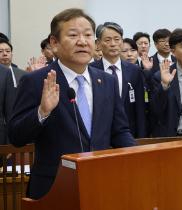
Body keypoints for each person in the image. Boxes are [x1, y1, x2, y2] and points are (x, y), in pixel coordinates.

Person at [8, 8, 135, 199]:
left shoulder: (106, 81)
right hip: (53, 189)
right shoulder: (36, 81)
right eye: (73, 35)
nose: (82, 41)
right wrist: (42, 112)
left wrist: (140, 156)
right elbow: (16, 136)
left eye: (88, 35)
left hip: (101, 183)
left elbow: (120, 131)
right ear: (54, 43)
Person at [90, 22, 146, 138]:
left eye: (117, 39)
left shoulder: (134, 71)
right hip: (99, 134)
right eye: (108, 40)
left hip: (128, 134)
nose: (113, 44)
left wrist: (141, 137)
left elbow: (140, 108)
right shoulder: (90, 70)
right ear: (98, 44)